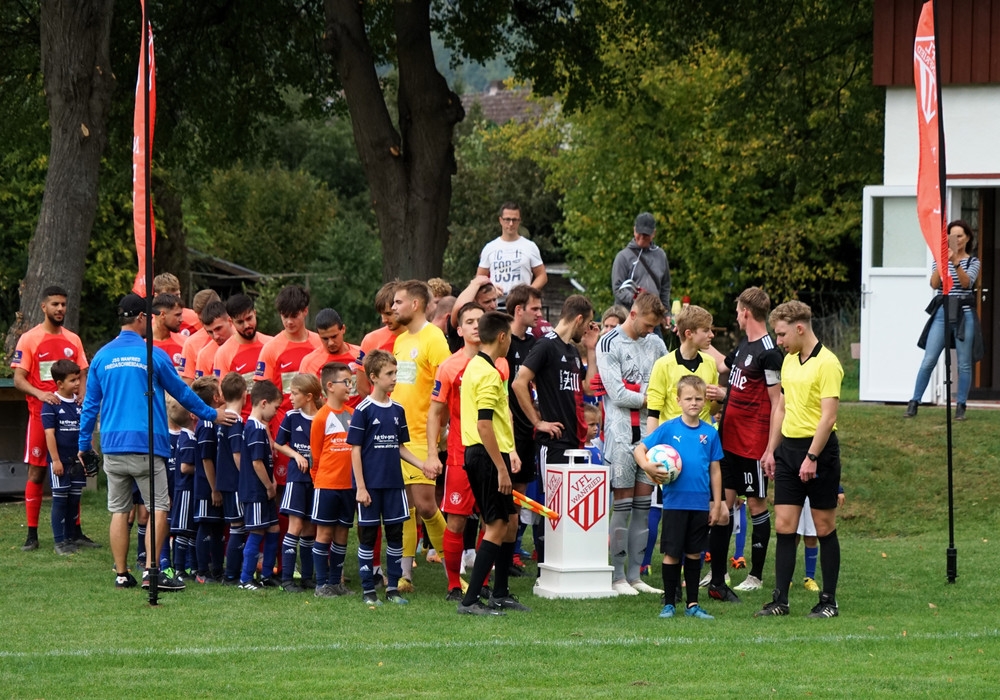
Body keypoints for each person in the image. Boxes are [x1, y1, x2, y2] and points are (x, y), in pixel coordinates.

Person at [78, 293, 234, 591]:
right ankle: (152, 570)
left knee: (119, 511)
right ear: (141, 318)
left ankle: (121, 574)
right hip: (147, 445)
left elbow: (89, 406)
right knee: (159, 507)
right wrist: (211, 414)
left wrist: (84, 444)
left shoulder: (101, 357)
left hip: (112, 445)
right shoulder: (154, 355)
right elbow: (182, 392)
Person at [755, 300, 843, 619]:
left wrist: (812, 456)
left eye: (781, 334)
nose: (778, 341)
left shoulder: (828, 363)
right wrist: (771, 450)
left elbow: (828, 417)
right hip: (789, 452)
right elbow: (781, 406)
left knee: (823, 526)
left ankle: (828, 601)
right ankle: (780, 600)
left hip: (819, 452)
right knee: (784, 525)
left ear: (800, 328)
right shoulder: (789, 361)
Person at [512, 295, 600, 564]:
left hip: (574, 440)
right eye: (587, 325)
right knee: (551, 505)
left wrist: (591, 349)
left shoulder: (571, 350)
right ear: (578, 319)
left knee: (569, 505)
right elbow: (519, 383)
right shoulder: (545, 345)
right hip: (553, 441)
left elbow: (588, 387)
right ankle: (545, 568)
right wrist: (537, 422)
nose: (587, 330)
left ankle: (566, 562)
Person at [708, 287, 784, 597]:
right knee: (723, 505)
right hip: (728, 441)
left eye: (738, 311)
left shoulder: (769, 351)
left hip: (752, 444)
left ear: (746, 312)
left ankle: (755, 575)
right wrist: (699, 339)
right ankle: (718, 573)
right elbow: (723, 365)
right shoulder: (744, 345)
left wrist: (770, 449)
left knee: (755, 504)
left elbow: (778, 403)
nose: (736, 316)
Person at [635, 375, 727, 620]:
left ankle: (693, 604)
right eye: (688, 399)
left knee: (694, 554)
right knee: (672, 553)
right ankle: (669, 603)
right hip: (675, 503)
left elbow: (715, 470)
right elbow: (639, 449)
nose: (693, 403)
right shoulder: (669, 428)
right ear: (678, 401)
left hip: (700, 503)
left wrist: (717, 503)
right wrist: (647, 466)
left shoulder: (710, 433)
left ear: (705, 401)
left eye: (698, 398)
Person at [458, 311, 531, 615]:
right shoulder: (488, 374)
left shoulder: (476, 366)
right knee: (497, 525)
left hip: (485, 453)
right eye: (510, 336)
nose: (510, 341)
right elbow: (484, 424)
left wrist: (508, 451)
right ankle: (471, 600)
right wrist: (501, 467)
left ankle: (500, 594)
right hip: (486, 456)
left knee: (507, 522)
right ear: (502, 337)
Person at [596, 292, 668, 597]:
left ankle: (636, 575)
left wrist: (647, 394)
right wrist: (649, 396)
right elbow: (617, 394)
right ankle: (617, 576)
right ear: (634, 314)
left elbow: (666, 383)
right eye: (648, 324)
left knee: (643, 504)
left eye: (655, 326)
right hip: (621, 432)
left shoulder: (657, 344)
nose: (650, 330)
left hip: (651, 433)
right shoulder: (608, 342)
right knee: (622, 503)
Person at [11, 285, 91, 552]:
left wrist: (82, 393)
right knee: (36, 471)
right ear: (43, 307)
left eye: (63, 304)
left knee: (75, 467)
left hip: (70, 417)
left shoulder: (73, 339)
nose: (60, 309)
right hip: (41, 415)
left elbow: (83, 372)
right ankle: (31, 534)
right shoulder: (29, 339)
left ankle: (75, 531)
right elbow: (18, 379)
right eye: (55, 304)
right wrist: (41, 394)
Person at [390, 280, 451, 590]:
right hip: (398, 435)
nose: (393, 308)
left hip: (421, 436)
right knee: (405, 507)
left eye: (398, 302)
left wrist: (438, 436)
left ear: (415, 304)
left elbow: (447, 387)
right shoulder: (400, 341)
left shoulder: (434, 338)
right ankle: (405, 575)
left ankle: (453, 572)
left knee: (426, 506)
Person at [426, 303, 489, 600]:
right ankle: (453, 584)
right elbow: (435, 412)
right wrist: (431, 453)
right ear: (460, 330)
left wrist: (511, 451)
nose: (476, 326)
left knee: (493, 520)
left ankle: (482, 582)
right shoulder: (449, 366)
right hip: (459, 455)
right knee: (457, 521)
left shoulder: (498, 363)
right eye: (470, 321)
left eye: (480, 321)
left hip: (492, 454)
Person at [349, 351, 422, 605]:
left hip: (394, 486)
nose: (394, 378)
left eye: (395, 373)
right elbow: (355, 450)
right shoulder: (363, 410)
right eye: (389, 374)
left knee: (395, 535)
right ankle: (368, 591)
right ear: (373, 377)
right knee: (368, 537)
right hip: (370, 487)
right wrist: (360, 487)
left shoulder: (398, 410)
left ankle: (392, 590)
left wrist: (422, 465)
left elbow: (400, 447)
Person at [905, 219, 982, 421]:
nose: (956, 240)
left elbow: (966, 284)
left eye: (960, 236)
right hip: (942, 311)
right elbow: (933, 284)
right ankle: (914, 402)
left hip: (964, 313)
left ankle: (961, 406)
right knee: (929, 359)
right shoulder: (939, 258)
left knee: (964, 363)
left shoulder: (973, 262)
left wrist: (955, 262)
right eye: (952, 236)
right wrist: (942, 262)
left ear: (968, 238)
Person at [503, 284, 544, 567]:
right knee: (502, 496)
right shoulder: (502, 341)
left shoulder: (534, 343)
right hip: (504, 427)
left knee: (519, 493)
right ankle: (493, 555)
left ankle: (512, 554)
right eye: (535, 309)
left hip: (527, 428)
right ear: (519, 310)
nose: (539, 314)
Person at [309, 362, 357, 598]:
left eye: (351, 382)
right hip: (327, 486)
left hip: (349, 486)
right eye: (346, 382)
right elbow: (315, 456)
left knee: (342, 535)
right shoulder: (321, 418)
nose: (350, 386)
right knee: (324, 534)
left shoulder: (353, 415)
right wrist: (319, 482)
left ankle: (336, 583)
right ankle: (321, 585)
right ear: (330, 386)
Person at [274, 373, 323, 592]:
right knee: (295, 526)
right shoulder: (291, 417)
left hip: (317, 479)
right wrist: (296, 455)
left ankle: (306, 577)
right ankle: (286, 579)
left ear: (309, 396)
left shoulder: (324, 417)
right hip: (297, 479)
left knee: (310, 528)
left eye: (294, 393)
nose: (290, 397)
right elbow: (278, 443)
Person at [237, 379, 283, 590]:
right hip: (256, 491)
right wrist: (268, 486)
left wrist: (272, 480)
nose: (276, 412)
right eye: (275, 407)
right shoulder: (254, 428)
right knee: (256, 532)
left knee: (274, 528)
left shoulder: (260, 428)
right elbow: (256, 462)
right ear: (264, 403)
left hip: (265, 490)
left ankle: (266, 574)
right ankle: (245, 579)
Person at [646, 305, 724, 429]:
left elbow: (710, 411)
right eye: (706, 330)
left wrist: (720, 399)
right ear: (689, 334)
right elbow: (653, 413)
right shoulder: (663, 365)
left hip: (702, 438)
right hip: (672, 438)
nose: (711, 335)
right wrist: (653, 442)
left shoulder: (710, 363)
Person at [42, 359, 86, 555]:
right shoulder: (51, 404)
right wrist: (56, 460)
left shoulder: (80, 403)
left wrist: (88, 454)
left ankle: (70, 537)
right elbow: (49, 434)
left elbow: (85, 430)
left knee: (74, 500)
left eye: (78, 379)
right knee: (60, 500)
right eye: (72, 380)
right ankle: (59, 541)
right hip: (60, 461)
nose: (77, 383)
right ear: (60, 383)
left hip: (77, 461)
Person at [214, 294, 273, 418]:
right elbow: (222, 397)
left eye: (249, 318)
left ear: (255, 313)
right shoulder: (223, 353)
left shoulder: (271, 344)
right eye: (240, 322)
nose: (246, 325)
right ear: (231, 322)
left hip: (274, 422)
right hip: (244, 423)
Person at [191, 377, 226, 584]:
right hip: (206, 487)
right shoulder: (205, 423)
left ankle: (217, 569)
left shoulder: (214, 421)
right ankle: (202, 571)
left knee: (217, 527)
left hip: (215, 486)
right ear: (215, 397)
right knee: (205, 526)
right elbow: (206, 459)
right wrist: (214, 489)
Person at [215, 372, 247, 584]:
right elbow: (237, 454)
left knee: (236, 526)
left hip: (225, 480)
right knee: (238, 526)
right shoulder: (234, 421)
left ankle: (232, 570)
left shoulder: (222, 418)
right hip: (234, 482)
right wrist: (247, 477)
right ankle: (231, 574)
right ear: (245, 394)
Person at [477, 201, 547, 296]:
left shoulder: (530, 246)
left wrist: (529, 291)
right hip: (496, 301)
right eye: (507, 219)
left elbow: (542, 275)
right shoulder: (490, 248)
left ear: (519, 221)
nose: (511, 224)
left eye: (514, 220)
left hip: (522, 301)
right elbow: (479, 278)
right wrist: (491, 289)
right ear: (500, 220)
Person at [299, 308, 364, 407]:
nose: (330, 343)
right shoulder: (309, 363)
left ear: (343, 329)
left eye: (334, 336)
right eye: (325, 338)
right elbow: (304, 399)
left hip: (358, 416)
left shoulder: (360, 355)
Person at [611, 212, 671, 317]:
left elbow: (665, 287)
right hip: (629, 315)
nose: (642, 237)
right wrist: (638, 300)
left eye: (646, 234)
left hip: (653, 315)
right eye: (640, 233)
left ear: (653, 233)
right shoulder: (623, 257)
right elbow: (618, 289)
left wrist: (666, 312)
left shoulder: (661, 255)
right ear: (634, 230)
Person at [798, 489, 845, 591]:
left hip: (814, 492)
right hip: (794, 491)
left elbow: (831, 477)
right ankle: (787, 579)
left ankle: (810, 578)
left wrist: (839, 489)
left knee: (811, 536)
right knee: (792, 536)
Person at [178, 289, 222, 383]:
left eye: (210, 318)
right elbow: (187, 383)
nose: (205, 324)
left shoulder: (240, 333)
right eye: (201, 320)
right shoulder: (191, 343)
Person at [447, 276, 499, 352]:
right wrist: (475, 283)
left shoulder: (499, 321)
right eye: (487, 302)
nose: (493, 306)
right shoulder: (463, 318)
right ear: (474, 301)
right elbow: (460, 307)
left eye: (494, 300)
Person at [192, 300, 234, 380]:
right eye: (210, 332)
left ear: (230, 321)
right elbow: (202, 387)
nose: (215, 336)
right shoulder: (204, 355)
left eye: (218, 329)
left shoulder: (251, 340)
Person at [153, 272, 201, 336]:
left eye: (177, 295)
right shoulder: (146, 322)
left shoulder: (194, 318)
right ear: (156, 296)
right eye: (167, 296)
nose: (174, 300)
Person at [151, 293, 186, 373]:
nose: (182, 320)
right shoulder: (141, 344)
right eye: (177, 315)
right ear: (163, 315)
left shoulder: (185, 344)